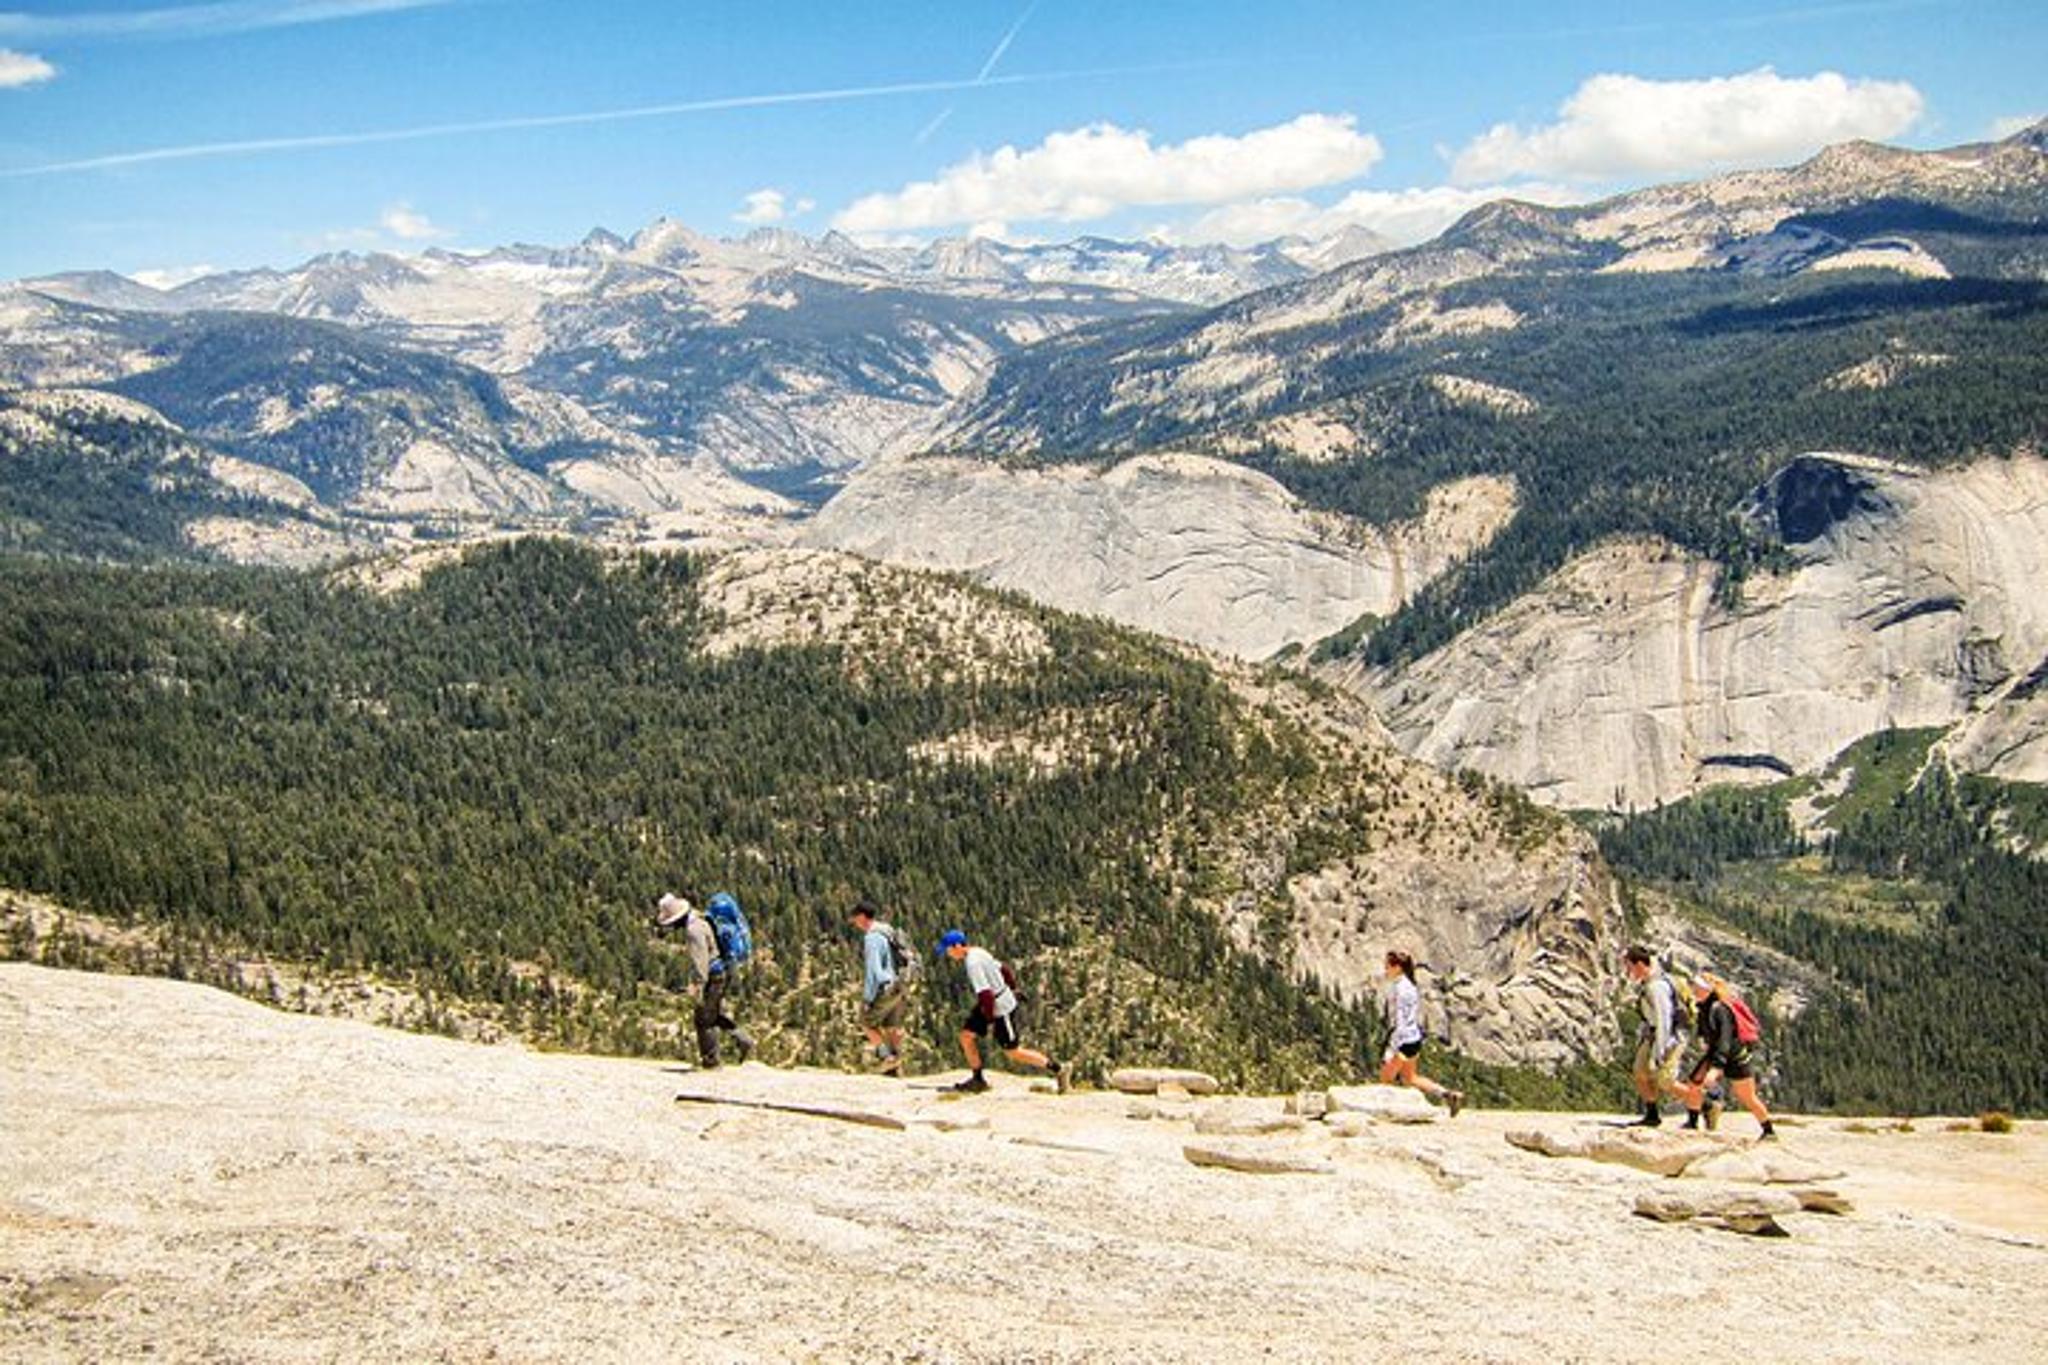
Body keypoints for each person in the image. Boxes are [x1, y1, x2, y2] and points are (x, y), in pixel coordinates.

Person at [937, 928, 1066, 1094]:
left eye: (947, 950)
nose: (948, 954)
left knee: (1013, 1051)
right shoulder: (979, 952)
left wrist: (989, 1019)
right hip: (992, 1002)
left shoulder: (972, 963)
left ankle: (1058, 1069)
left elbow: (986, 994)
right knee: (966, 1036)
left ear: (956, 946)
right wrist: (1013, 987)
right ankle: (978, 1079)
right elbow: (1003, 968)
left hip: (1000, 1007)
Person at [656, 892, 755, 1070]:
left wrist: (697, 986)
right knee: (712, 1014)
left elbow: (700, 961)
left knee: (703, 1020)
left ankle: (711, 1062)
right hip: (723, 971)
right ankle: (742, 1039)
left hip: (714, 976)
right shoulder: (702, 919)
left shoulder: (693, 930)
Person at [1674, 971, 1776, 1140]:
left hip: (1734, 1057)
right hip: (1716, 1053)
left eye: (1697, 987)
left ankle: (1768, 1130)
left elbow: (1725, 1041)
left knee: (1747, 1097)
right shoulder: (1705, 1007)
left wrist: (1716, 1067)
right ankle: (1692, 1123)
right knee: (1694, 1083)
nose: (1693, 989)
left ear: (1707, 990)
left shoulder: (1719, 1009)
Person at [1379, 950, 1464, 1116]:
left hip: (1403, 1040)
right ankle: (1448, 1095)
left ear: (1398, 968)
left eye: (1388, 966)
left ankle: (1388, 1112)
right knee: (1410, 1078)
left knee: (1386, 1078)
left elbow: (1401, 1021)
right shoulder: (1409, 985)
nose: (1385, 969)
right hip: (1414, 1038)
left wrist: (1391, 1049)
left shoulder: (1400, 989)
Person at [1622, 946, 1686, 1126]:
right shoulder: (1649, 982)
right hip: (1651, 1034)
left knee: (1665, 1079)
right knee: (1640, 1071)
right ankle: (1652, 1115)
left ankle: (1701, 1102)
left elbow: (1664, 1018)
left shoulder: (1657, 987)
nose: (1627, 971)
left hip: (1665, 1037)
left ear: (1640, 965)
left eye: (1629, 966)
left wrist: (1660, 1049)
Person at [849, 900, 910, 1076]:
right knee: (891, 1025)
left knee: (866, 1022)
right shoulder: (888, 932)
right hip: (900, 984)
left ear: (861, 917)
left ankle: (887, 1058)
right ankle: (895, 1068)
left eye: (855, 919)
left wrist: (868, 998)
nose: (855, 923)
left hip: (886, 987)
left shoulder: (872, 938)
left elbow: (873, 971)